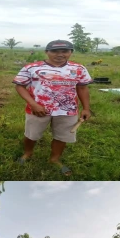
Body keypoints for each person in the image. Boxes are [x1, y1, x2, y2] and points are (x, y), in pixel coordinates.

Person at [12, 39, 92, 177]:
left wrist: (86, 108)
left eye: (65, 51)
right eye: (55, 51)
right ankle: (28, 153)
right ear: (47, 52)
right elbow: (20, 86)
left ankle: (54, 159)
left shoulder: (78, 69)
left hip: (67, 110)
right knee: (32, 134)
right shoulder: (32, 68)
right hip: (38, 110)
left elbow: (82, 88)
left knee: (62, 136)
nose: (60, 54)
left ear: (71, 52)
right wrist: (33, 104)